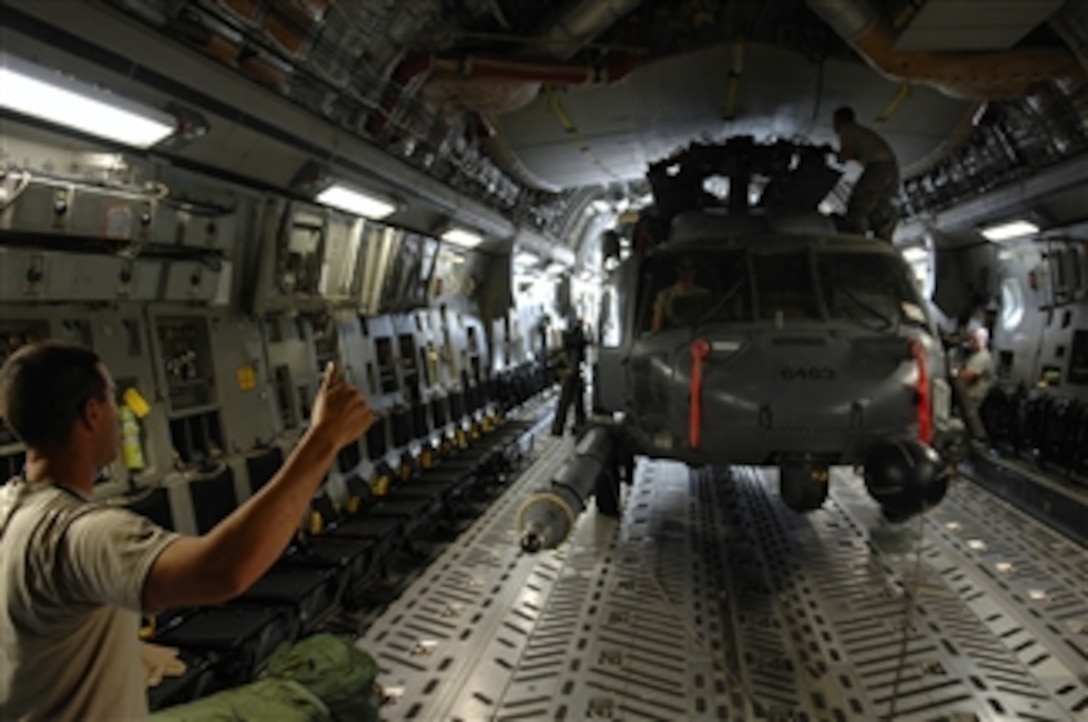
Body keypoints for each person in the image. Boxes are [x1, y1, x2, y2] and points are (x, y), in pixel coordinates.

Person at [0, 342, 377, 721]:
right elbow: (219, 571)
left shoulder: (10, 509)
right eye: (114, 400)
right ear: (92, 414)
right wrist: (322, 441)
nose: (119, 414)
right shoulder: (78, 533)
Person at [832, 106, 900, 241]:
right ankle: (884, 240)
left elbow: (846, 154)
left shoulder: (847, 129)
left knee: (857, 206)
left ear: (839, 120)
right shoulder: (860, 131)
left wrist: (836, 156)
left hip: (878, 167)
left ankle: (858, 240)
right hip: (891, 168)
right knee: (879, 209)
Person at [650, 255, 710, 332]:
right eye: (682, 268)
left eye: (690, 269)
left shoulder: (704, 294)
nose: (686, 272)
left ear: (695, 271)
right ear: (677, 269)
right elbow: (656, 328)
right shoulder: (665, 295)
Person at [551, 317, 589, 436]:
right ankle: (575, 424)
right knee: (573, 399)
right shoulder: (576, 336)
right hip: (573, 370)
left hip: (572, 370)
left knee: (571, 399)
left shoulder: (571, 336)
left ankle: (561, 427)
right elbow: (578, 350)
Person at [957, 326, 995, 414]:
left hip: (973, 397)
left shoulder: (982, 357)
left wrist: (956, 373)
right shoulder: (975, 354)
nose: (970, 343)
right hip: (968, 395)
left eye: (973, 340)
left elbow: (967, 377)